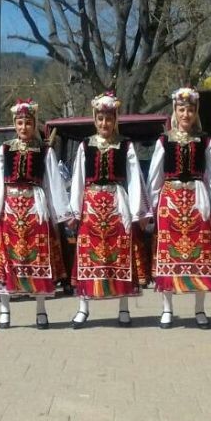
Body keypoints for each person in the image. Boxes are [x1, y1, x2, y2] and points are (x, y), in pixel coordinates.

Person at [146, 87, 211, 329]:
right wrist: (152, 206)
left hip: (196, 201)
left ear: (196, 113)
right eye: (182, 109)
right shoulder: (164, 140)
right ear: (175, 111)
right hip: (170, 202)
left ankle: (200, 308)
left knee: (201, 255)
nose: (186, 114)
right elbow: (155, 175)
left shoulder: (205, 140)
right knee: (167, 256)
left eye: (190, 110)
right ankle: (167, 309)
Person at [67, 92, 150, 329]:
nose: (105, 123)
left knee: (120, 253)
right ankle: (83, 308)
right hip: (91, 205)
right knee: (87, 254)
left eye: (109, 118)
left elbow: (135, 178)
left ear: (115, 120)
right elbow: (78, 179)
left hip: (116, 203)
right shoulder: (85, 145)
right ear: (95, 119)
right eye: (101, 118)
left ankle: (123, 307)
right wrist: (74, 212)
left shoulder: (125, 145)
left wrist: (139, 212)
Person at [0, 99, 69, 329]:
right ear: (15, 124)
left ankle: (41, 309)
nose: (24, 127)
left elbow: (53, 182)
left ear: (34, 125)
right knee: (6, 260)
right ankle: (4, 309)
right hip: (10, 210)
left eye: (28, 123)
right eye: (20, 123)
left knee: (38, 259)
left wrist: (61, 214)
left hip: (34, 208)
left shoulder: (44, 151)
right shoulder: (5, 149)